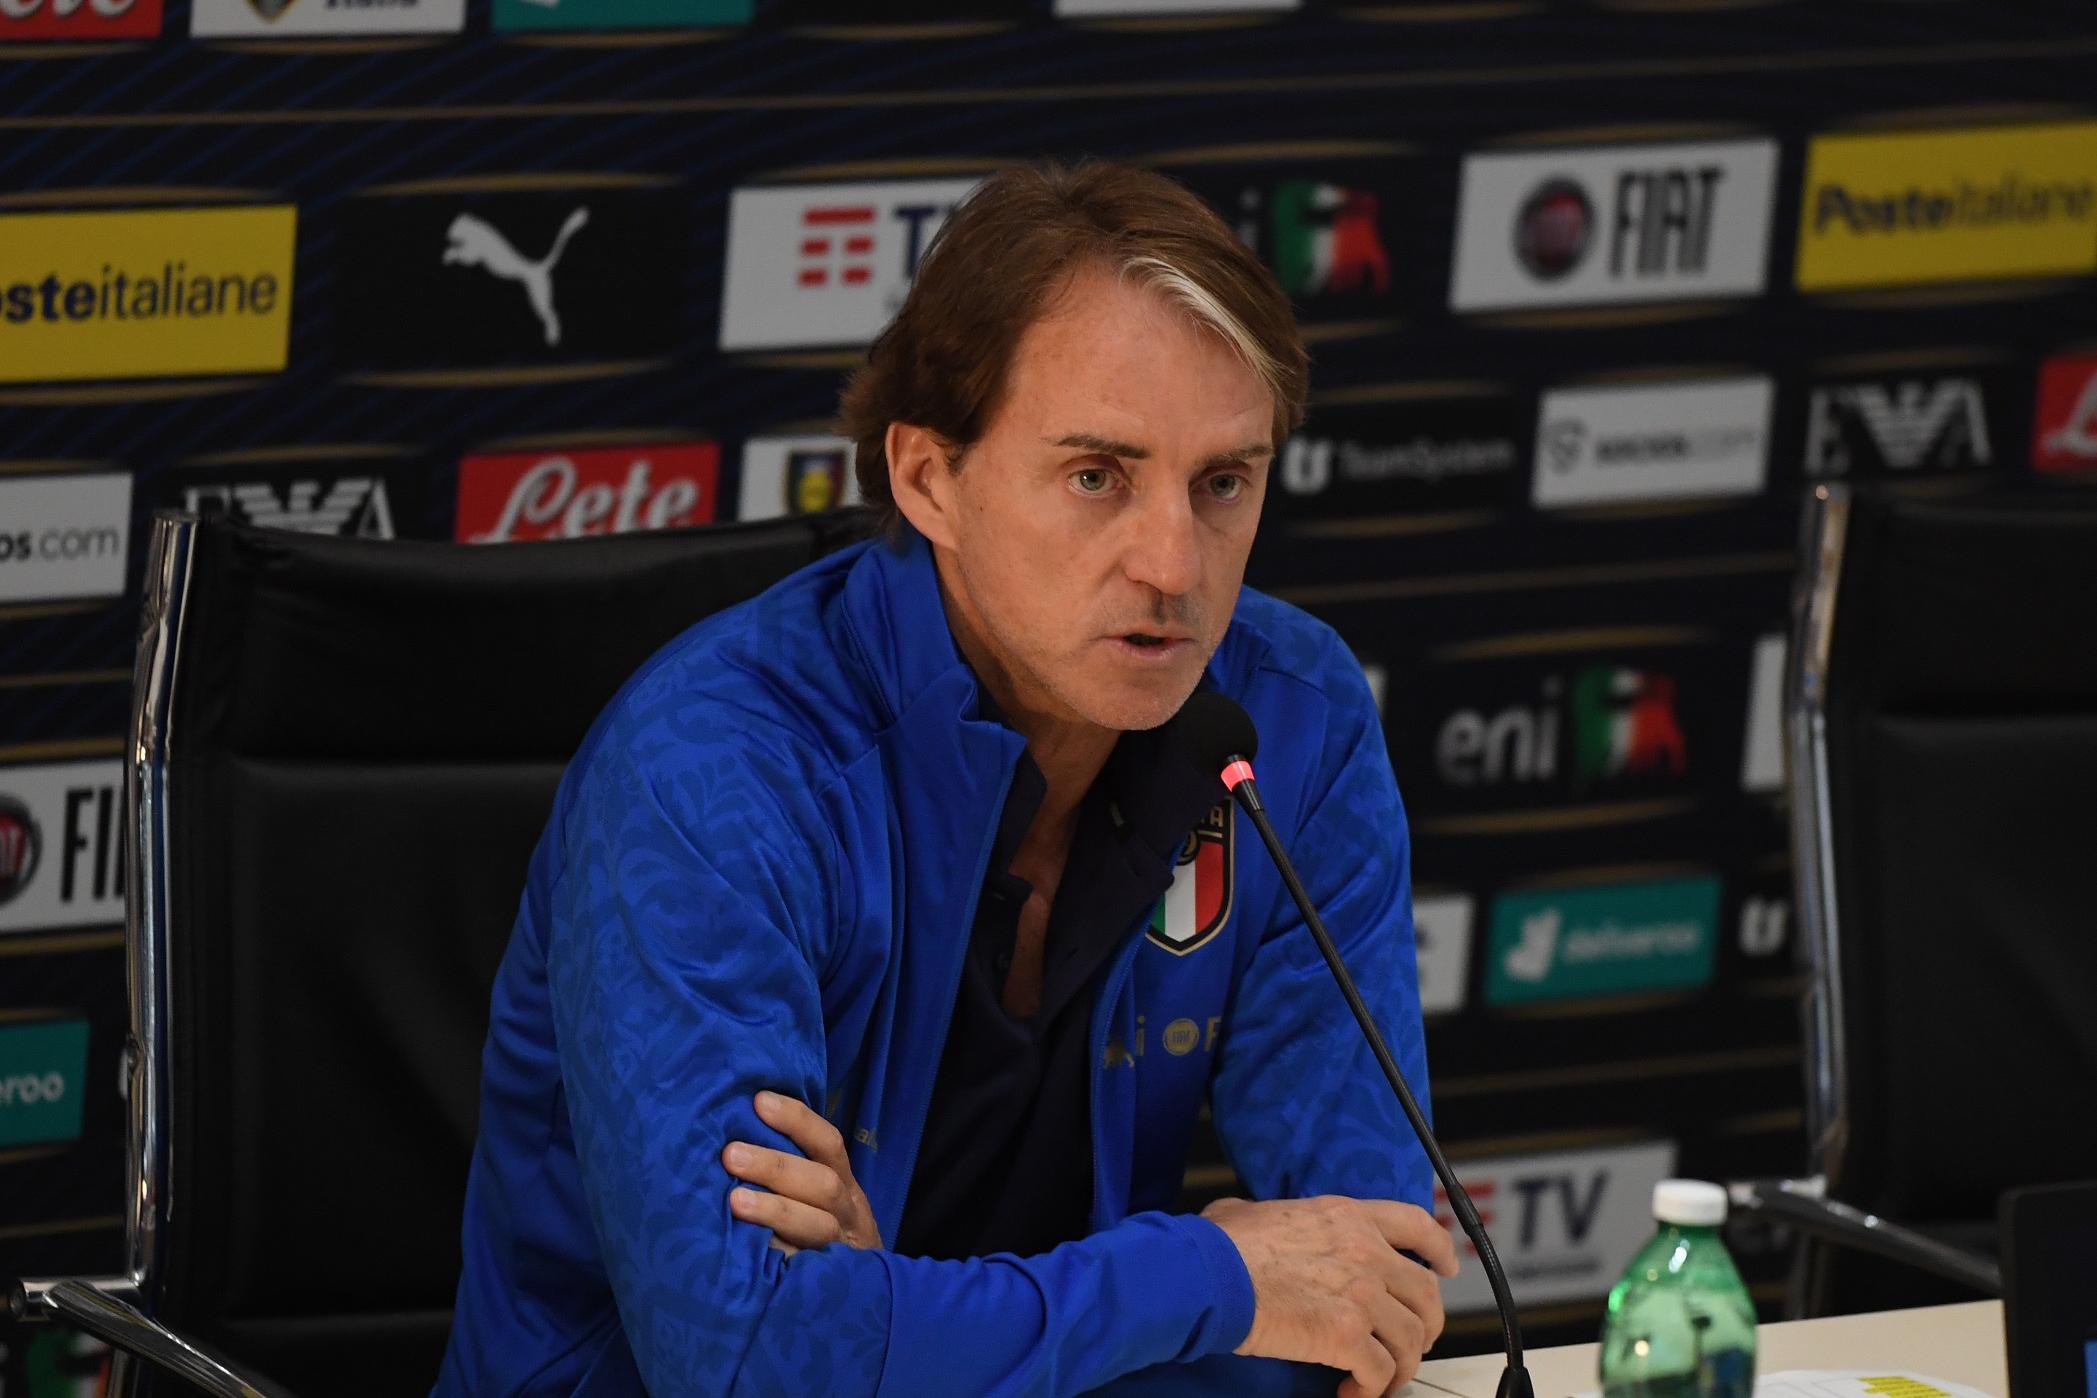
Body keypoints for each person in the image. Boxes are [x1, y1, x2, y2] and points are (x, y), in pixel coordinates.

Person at [436, 158, 1455, 1398]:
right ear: (929, 479)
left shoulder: (1288, 717)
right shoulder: (711, 772)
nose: (1175, 562)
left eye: (1223, 482)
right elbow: (750, 1363)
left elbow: (1375, 1288)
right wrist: (1212, 1282)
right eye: (1098, 477)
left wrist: (893, 1320)